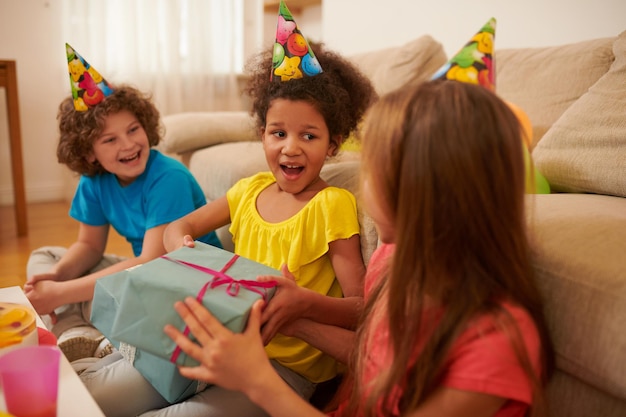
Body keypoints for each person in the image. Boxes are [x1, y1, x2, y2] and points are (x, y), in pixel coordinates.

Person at [165, 80, 555, 417]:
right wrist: (295, 317)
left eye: (372, 171)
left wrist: (258, 382)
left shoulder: (497, 341)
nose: (363, 188)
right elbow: (376, 358)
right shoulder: (396, 257)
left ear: (424, 192)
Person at [77, 22, 378, 417]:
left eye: (309, 136)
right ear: (261, 133)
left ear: (334, 143)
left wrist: (304, 305)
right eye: (278, 133)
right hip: (215, 337)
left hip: (282, 370)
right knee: (95, 395)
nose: (290, 148)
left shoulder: (332, 205)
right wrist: (184, 251)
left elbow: (363, 309)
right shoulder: (247, 190)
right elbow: (177, 229)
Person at [24, 44, 222, 365]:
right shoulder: (94, 181)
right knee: (45, 259)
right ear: (89, 153)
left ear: (146, 126)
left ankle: (91, 324)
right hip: (144, 273)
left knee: (101, 292)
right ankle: (79, 331)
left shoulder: (168, 177)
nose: (128, 144)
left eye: (133, 130)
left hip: (184, 282)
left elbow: (151, 260)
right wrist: (58, 277)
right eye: (110, 139)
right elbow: (89, 246)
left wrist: (61, 294)